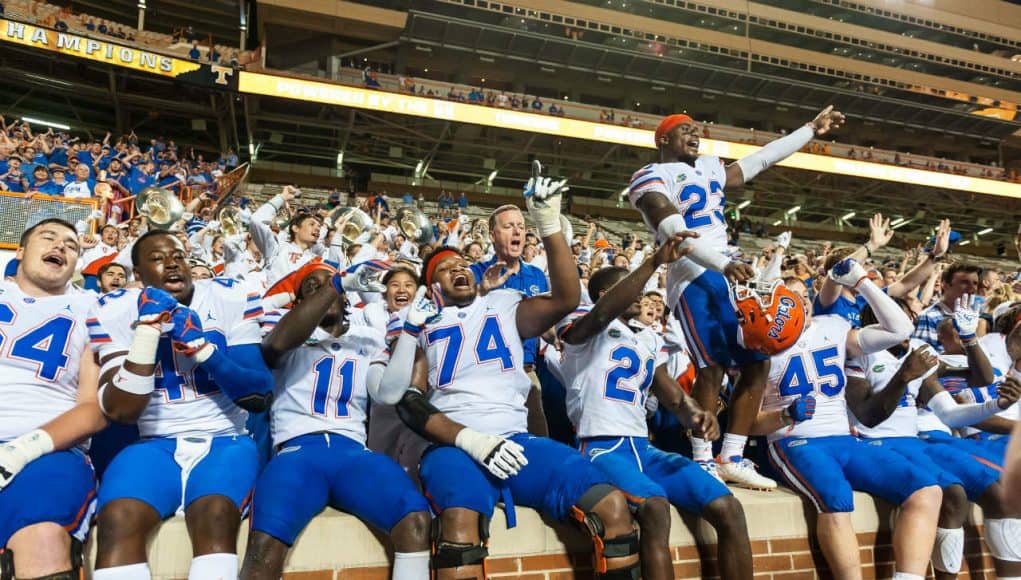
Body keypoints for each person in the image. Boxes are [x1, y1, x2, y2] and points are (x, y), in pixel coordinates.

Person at [373, 171, 642, 580]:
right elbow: (409, 402)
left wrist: (549, 226)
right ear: (432, 288)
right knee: (459, 529)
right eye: (446, 269)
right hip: (453, 445)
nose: (459, 269)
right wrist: (472, 440)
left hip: (516, 441)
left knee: (613, 508)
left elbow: (568, 298)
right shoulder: (420, 326)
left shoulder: (502, 303)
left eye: (463, 263)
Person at [629, 106, 844, 489]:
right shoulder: (651, 175)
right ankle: (702, 459)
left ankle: (732, 455)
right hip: (694, 272)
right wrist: (720, 264)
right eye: (684, 129)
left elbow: (762, 158)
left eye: (697, 129)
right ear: (663, 139)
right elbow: (674, 230)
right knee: (711, 365)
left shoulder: (709, 167)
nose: (695, 133)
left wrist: (809, 129)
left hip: (729, 271)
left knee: (758, 358)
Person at [558, 235, 754, 580]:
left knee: (729, 508)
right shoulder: (583, 328)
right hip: (601, 446)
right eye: (627, 287)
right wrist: (652, 261)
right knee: (655, 508)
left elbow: (675, 398)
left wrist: (697, 416)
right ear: (607, 294)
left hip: (643, 448)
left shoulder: (646, 338)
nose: (639, 293)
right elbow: (603, 312)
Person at [89, 230, 274, 580]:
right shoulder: (114, 309)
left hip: (225, 438)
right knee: (118, 517)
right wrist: (146, 332)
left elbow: (259, 394)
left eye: (178, 255)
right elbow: (120, 411)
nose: (172, 262)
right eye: (158, 258)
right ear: (139, 276)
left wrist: (203, 350)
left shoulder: (228, 296)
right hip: (154, 441)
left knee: (216, 514)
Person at [239, 260, 431, 580]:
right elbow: (275, 345)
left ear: (346, 299)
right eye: (311, 288)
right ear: (301, 304)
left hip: (353, 451)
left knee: (415, 521)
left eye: (328, 285)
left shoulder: (367, 337)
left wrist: (409, 334)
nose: (322, 292)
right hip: (297, 453)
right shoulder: (287, 331)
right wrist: (335, 286)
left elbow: (387, 394)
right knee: (262, 548)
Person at [757, 261, 941, 579]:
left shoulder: (833, 327)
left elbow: (901, 329)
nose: (800, 300)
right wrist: (784, 415)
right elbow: (746, 423)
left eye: (804, 294)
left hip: (844, 438)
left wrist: (862, 282)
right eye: (790, 296)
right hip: (795, 439)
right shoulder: (762, 347)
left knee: (927, 490)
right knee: (837, 498)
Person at [847, 296, 1021, 579]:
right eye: (899, 320)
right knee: (945, 493)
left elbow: (954, 410)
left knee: (968, 494)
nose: (908, 325)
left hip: (913, 440)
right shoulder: (856, 354)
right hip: (871, 442)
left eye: (909, 320)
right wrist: (903, 376)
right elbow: (869, 415)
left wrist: (970, 340)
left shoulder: (918, 352)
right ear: (876, 325)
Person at [0, 219, 107, 579]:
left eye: (71, 245)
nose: (60, 246)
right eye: (48, 237)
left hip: (46, 450)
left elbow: (92, 410)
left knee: (43, 540)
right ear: (19, 252)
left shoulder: (91, 310)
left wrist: (22, 450)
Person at [469, 203, 552, 436]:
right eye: (508, 226)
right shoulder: (475, 272)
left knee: (537, 437)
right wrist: (482, 290)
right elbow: (460, 317)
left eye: (521, 226)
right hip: (485, 372)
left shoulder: (536, 275)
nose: (517, 231)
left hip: (526, 371)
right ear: (492, 235)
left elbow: (544, 321)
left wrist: (556, 337)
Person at [912, 263, 983, 352]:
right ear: (945, 285)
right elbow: (922, 358)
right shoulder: (929, 317)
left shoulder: (973, 315)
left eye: (975, 283)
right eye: (964, 282)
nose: (972, 288)